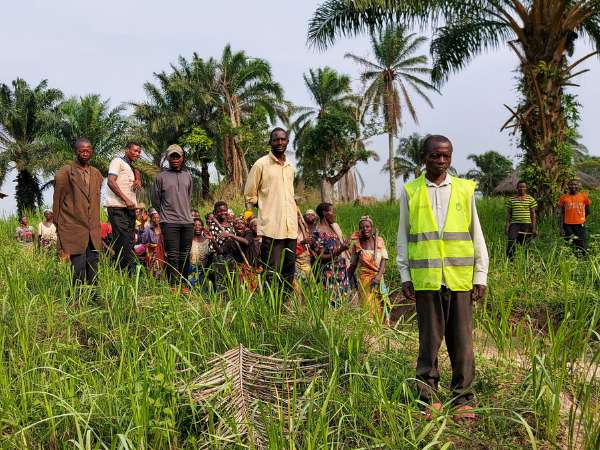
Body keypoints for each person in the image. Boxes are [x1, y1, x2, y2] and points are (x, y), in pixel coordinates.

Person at [396, 135, 488, 421]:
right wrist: (404, 274)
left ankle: (462, 397)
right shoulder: (411, 192)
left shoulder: (464, 190)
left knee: (462, 342)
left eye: (446, 155)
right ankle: (428, 396)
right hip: (426, 279)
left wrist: (480, 275)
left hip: (459, 278)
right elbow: (403, 236)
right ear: (424, 157)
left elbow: (476, 234)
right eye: (435, 155)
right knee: (429, 340)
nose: (441, 161)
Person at [244, 128, 298, 290]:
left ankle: (285, 305)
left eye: (283, 139)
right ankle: (270, 307)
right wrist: (264, 205)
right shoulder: (261, 164)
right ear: (270, 142)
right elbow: (249, 195)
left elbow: (290, 195)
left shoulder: (290, 166)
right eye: (276, 140)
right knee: (271, 270)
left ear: (287, 142)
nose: (280, 142)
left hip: (291, 228)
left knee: (289, 269)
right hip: (271, 228)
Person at [53, 138, 103, 285]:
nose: (85, 153)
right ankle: (76, 300)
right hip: (74, 229)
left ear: (92, 151)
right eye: (82, 150)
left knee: (93, 266)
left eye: (88, 150)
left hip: (93, 230)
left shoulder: (96, 174)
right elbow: (57, 203)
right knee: (78, 268)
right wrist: (59, 226)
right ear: (76, 152)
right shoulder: (65, 172)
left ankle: (94, 298)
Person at [151, 144, 194, 293]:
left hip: (188, 222)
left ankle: (183, 284)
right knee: (173, 255)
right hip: (169, 222)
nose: (175, 159)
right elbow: (155, 201)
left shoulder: (188, 176)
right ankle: (173, 285)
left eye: (178, 156)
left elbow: (188, 197)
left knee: (185, 255)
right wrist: (163, 215)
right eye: (172, 156)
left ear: (182, 158)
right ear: (168, 158)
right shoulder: (161, 177)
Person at [106, 142, 142, 274]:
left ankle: (125, 274)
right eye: (135, 151)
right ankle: (123, 273)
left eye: (139, 152)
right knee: (123, 241)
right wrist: (126, 199)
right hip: (118, 207)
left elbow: (135, 178)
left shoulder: (132, 168)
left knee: (129, 242)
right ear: (126, 150)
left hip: (130, 210)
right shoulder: (117, 161)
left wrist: (138, 178)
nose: (138, 154)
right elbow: (111, 181)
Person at [348, 216, 389, 323]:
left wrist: (379, 276)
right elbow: (352, 265)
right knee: (368, 305)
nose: (365, 229)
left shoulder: (379, 241)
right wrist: (348, 280)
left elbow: (384, 259)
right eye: (362, 227)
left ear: (372, 228)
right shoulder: (357, 244)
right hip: (365, 281)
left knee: (381, 304)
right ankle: (370, 332)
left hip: (378, 279)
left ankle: (382, 329)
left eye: (367, 226)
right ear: (359, 230)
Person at [311, 203, 350, 302]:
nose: (334, 214)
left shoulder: (332, 229)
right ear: (324, 213)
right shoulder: (317, 232)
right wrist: (340, 250)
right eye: (332, 211)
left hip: (340, 272)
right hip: (328, 275)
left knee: (342, 304)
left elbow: (335, 248)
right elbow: (320, 258)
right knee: (331, 303)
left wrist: (343, 247)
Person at [505, 181, 538, 259]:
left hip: (527, 224)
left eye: (523, 187)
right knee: (511, 242)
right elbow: (509, 214)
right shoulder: (511, 200)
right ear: (517, 188)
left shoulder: (531, 199)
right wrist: (507, 226)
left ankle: (526, 261)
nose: (521, 188)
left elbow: (533, 214)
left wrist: (533, 227)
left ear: (526, 188)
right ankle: (510, 261)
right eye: (520, 187)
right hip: (514, 224)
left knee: (526, 244)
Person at [558, 179, 591, 255]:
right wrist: (561, 227)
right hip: (567, 225)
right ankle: (571, 260)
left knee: (582, 243)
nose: (573, 186)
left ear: (579, 186)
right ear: (568, 186)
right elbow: (561, 214)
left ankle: (583, 261)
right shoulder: (563, 198)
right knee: (569, 244)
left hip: (580, 225)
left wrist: (582, 219)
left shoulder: (584, 197)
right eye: (571, 184)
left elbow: (588, 211)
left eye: (575, 184)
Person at [188, 218, 214, 288]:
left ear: (203, 227)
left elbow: (212, 253)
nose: (197, 227)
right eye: (195, 225)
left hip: (204, 269)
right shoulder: (188, 240)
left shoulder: (207, 240)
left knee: (204, 290)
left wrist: (207, 256)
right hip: (191, 269)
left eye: (199, 225)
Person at [139, 210, 166, 277]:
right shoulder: (148, 229)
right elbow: (142, 240)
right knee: (152, 272)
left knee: (162, 271)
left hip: (161, 254)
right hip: (152, 254)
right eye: (154, 218)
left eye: (158, 218)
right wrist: (142, 223)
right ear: (151, 218)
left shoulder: (164, 229)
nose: (156, 219)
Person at [295, 209, 317, 281]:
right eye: (308, 214)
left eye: (312, 215)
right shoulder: (294, 229)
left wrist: (311, 251)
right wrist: (302, 243)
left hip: (307, 259)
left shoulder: (306, 229)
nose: (310, 216)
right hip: (298, 260)